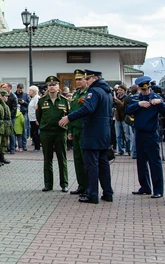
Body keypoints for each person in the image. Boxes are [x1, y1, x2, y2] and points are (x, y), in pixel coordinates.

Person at [60, 69, 114, 204]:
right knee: (103, 163)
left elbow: (88, 109)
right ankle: (107, 193)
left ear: (94, 79)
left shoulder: (94, 91)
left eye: (88, 79)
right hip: (104, 132)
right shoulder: (107, 91)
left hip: (92, 132)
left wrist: (69, 117)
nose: (86, 81)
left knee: (91, 165)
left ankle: (92, 194)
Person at [126, 76, 165, 198]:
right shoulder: (136, 98)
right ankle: (144, 186)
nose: (145, 92)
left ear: (149, 87)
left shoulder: (156, 98)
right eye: (142, 90)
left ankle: (158, 190)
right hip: (138, 132)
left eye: (146, 90)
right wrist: (139, 104)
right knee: (141, 161)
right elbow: (127, 110)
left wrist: (161, 103)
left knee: (154, 161)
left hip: (151, 133)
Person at [37, 76, 70, 192]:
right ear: (47, 87)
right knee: (47, 159)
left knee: (62, 159)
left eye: (54, 85)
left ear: (58, 87)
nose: (52, 87)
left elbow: (69, 117)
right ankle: (48, 184)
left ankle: (64, 184)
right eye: (49, 85)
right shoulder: (41, 101)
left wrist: (68, 131)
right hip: (46, 133)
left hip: (60, 132)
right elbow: (38, 117)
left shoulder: (64, 101)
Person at [66, 70, 89, 195]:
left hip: (84, 129)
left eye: (81, 79)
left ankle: (88, 187)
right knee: (77, 159)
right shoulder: (75, 95)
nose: (78, 82)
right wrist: (69, 129)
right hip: (75, 129)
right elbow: (71, 113)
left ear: (86, 80)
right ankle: (81, 185)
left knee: (85, 159)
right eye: (77, 79)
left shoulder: (88, 93)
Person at [113, 84, 131, 156]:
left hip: (124, 118)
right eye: (118, 90)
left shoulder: (126, 98)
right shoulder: (116, 98)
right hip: (117, 118)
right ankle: (120, 150)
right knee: (118, 135)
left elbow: (123, 106)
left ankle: (128, 150)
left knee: (127, 135)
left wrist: (116, 99)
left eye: (121, 90)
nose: (119, 92)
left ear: (124, 91)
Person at [27, 86, 41, 151]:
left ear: (34, 91)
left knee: (36, 133)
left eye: (30, 90)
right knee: (33, 133)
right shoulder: (32, 98)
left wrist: (37, 119)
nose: (29, 92)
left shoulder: (37, 98)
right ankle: (36, 146)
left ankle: (37, 147)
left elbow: (37, 109)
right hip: (31, 119)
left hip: (35, 119)